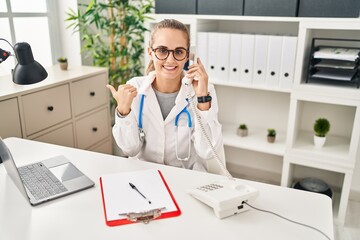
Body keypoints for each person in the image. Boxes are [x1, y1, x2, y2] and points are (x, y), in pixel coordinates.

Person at [107, 19, 224, 172]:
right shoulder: (136, 87)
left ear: (188, 55)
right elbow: (130, 150)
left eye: (179, 52)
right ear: (150, 52)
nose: (170, 60)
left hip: (187, 178)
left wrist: (202, 98)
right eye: (162, 50)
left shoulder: (204, 90)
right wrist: (123, 111)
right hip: (147, 176)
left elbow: (207, 152)